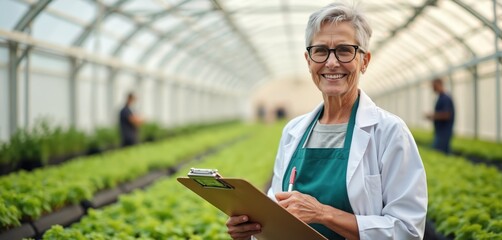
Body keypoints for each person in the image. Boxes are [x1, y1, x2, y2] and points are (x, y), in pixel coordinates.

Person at [226, 2, 427, 240]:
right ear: (309, 60)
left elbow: (407, 230)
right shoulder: (294, 131)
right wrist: (250, 230)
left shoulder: (390, 132)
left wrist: (322, 213)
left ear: (364, 61)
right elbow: (277, 212)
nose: (331, 62)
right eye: (320, 51)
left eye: (344, 50)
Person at [425, 78, 455, 154]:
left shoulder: (445, 98)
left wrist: (433, 116)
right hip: (440, 131)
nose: (433, 88)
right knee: (444, 153)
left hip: (444, 132)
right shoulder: (441, 97)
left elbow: (447, 114)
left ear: (439, 85)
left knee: (437, 152)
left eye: (434, 86)